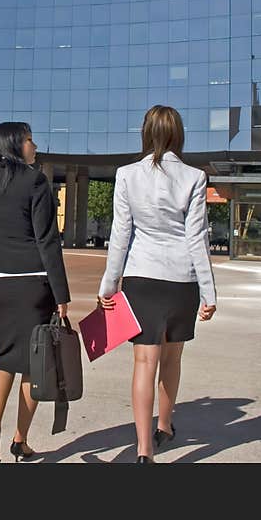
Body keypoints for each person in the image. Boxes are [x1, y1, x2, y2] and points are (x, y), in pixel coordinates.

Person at [97, 105, 217, 464]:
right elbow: (198, 238)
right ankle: (164, 425)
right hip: (182, 279)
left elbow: (121, 234)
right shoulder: (194, 177)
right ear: (178, 134)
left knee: (143, 362)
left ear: (145, 133)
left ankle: (144, 449)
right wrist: (210, 293)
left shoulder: (127, 175)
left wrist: (108, 285)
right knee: (172, 358)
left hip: (141, 277)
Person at [0, 122, 70, 463]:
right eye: (29, 139)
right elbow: (48, 241)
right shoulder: (35, 181)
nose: (35, 145)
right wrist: (62, 294)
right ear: (14, 144)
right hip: (33, 281)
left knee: (2, 357)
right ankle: (19, 440)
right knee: (32, 362)